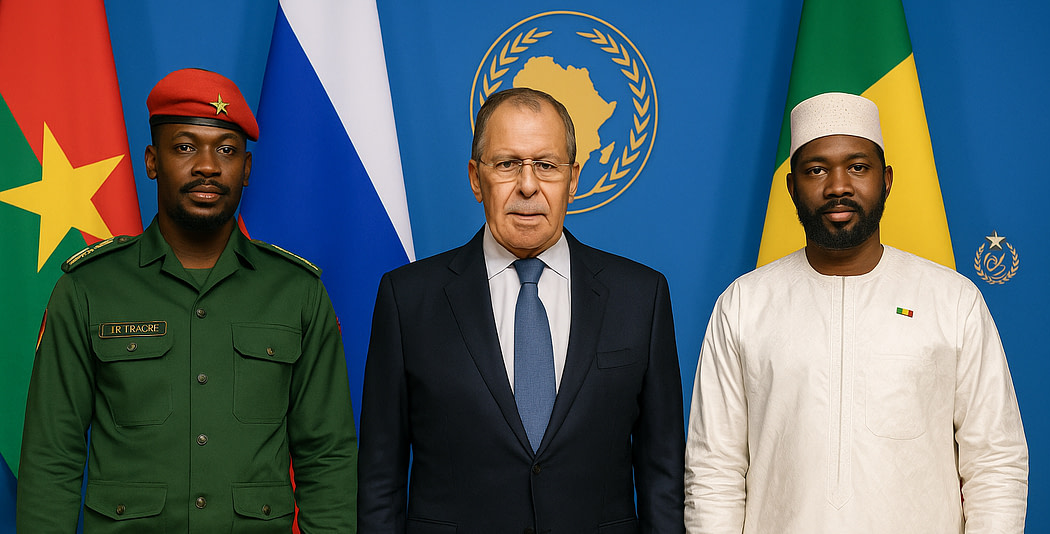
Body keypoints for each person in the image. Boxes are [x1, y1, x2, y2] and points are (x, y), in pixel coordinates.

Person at [16, 68, 357, 532]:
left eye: (226, 150)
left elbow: (327, 455)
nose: (208, 166)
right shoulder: (88, 289)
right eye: (184, 147)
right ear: (152, 161)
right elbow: (52, 456)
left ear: (247, 169)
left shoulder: (297, 293)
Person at [684, 92, 1028, 533]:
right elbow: (714, 468)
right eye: (816, 170)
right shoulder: (744, 304)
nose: (838, 186)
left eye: (858, 167)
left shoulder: (952, 300)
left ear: (886, 180)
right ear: (791, 187)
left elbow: (995, 461)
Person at [358, 87, 684, 532]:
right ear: (476, 178)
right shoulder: (407, 299)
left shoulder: (641, 297)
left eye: (546, 165)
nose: (528, 186)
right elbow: (381, 479)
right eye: (507, 164)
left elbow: (663, 477)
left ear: (573, 178)